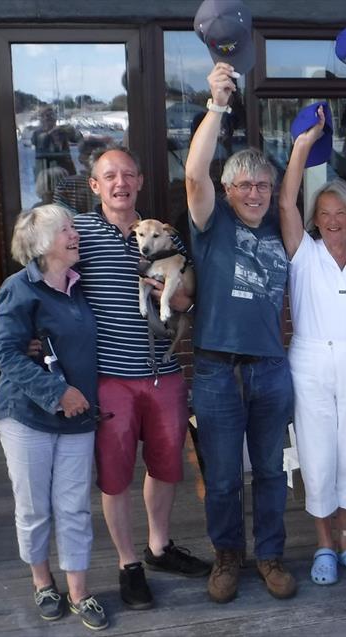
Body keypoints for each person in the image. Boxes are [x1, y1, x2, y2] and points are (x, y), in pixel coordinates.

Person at [75, 146, 210, 611]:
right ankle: (128, 564)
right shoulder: (81, 233)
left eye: (128, 174)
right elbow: (43, 278)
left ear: (140, 182)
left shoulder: (163, 236)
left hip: (164, 371)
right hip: (110, 375)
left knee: (166, 465)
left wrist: (182, 305)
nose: (120, 183)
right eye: (109, 176)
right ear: (95, 185)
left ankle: (158, 547)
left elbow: (190, 294)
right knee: (115, 476)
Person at [185, 62, 296, 603]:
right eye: (244, 184)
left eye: (262, 185)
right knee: (225, 477)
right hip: (216, 372)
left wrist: (306, 143)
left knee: (272, 473)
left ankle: (270, 555)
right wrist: (216, 104)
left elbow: (293, 189)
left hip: (272, 370)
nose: (254, 193)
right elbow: (193, 174)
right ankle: (228, 556)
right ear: (227, 190)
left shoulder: (278, 223)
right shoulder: (212, 223)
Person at [279, 106, 346, 586]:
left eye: (338, 213)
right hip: (308, 359)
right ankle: (323, 542)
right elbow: (284, 204)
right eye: (322, 214)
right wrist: (303, 146)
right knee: (317, 453)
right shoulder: (303, 254)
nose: (330, 220)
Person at [0, 204, 108, 631]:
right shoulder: (18, 289)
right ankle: (42, 582)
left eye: (73, 228)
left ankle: (79, 592)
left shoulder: (79, 287)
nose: (75, 235)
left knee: (74, 508)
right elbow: (6, 354)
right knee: (34, 508)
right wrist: (58, 393)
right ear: (42, 243)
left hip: (78, 420)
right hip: (26, 417)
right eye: (65, 230)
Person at [32, 106, 81, 178]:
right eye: (46, 116)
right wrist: (50, 133)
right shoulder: (37, 133)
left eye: (51, 116)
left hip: (66, 169)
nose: (48, 119)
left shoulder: (63, 130)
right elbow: (40, 142)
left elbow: (78, 137)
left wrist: (67, 131)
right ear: (41, 119)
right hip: (46, 171)